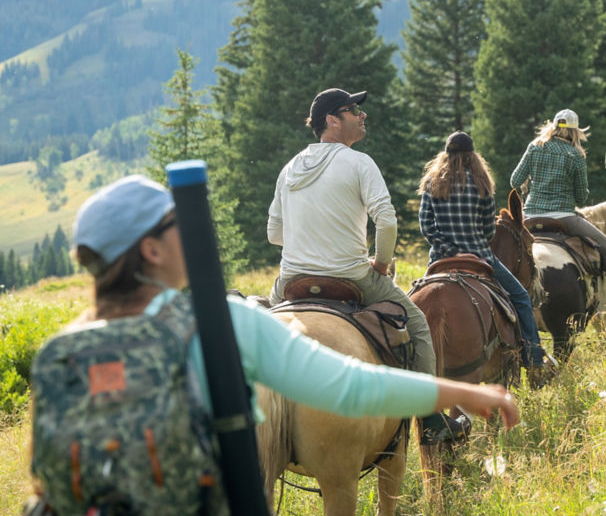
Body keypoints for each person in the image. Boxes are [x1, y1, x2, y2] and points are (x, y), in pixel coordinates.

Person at [28, 175, 519, 513]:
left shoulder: (60, 350)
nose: (194, 235)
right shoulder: (220, 326)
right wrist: (461, 393)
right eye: (179, 225)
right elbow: (347, 387)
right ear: (151, 251)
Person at [267, 88, 458, 440]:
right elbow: (386, 222)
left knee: (263, 331)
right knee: (417, 325)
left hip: (292, 279)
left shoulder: (289, 167)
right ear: (331, 120)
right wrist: (382, 264)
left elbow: (274, 234)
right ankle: (431, 421)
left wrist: (309, 236)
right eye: (353, 109)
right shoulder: (359, 163)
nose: (362, 114)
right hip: (352, 276)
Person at [418, 131, 553, 386]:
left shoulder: (431, 184)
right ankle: (534, 360)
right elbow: (489, 230)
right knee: (522, 299)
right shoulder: (481, 183)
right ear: (472, 156)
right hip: (479, 255)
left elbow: (426, 227)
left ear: (446, 155)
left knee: (415, 304)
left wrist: (449, 247)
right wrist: (469, 245)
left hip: (440, 259)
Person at [512, 109, 606, 311]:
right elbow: (581, 197)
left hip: (530, 215)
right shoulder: (575, 155)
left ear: (554, 127)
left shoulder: (534, 147)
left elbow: (515, 181)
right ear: (576, 132)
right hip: (563, 218)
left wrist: (529, 188)